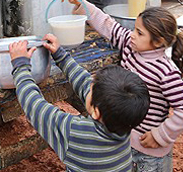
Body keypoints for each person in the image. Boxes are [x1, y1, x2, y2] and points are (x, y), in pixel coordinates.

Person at [62, 0, 183, 171]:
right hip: (127, 143)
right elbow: (107, 24)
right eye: (135, 29)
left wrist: (160, 135)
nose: (133, 34)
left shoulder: (164, 72)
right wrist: (81, 4)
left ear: (158, 42)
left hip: (150, 154)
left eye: (140, 33)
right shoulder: (129, 44)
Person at [9, 34, 150, 171]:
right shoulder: (124, 122)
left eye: (91, 88)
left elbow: (34, 106)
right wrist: (61, 56)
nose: (88, 84)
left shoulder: (74, 132)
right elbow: (84, 83)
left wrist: (20, 66)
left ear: (96, 112)